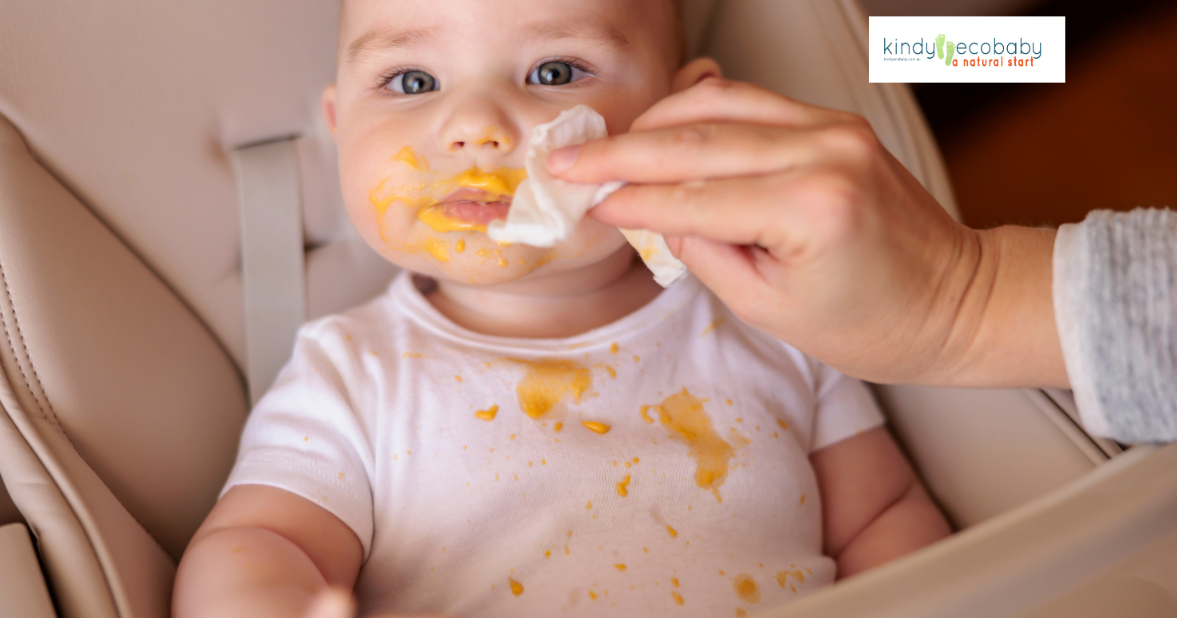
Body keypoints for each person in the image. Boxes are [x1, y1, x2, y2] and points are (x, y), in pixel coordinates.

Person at [172, 1, 951, 617]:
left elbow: (881, 515)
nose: (474, 128)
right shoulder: (349, 372)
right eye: (412, 82)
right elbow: (259, 543)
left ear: (683, 115)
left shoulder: (769, 309)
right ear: (341, 131)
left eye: (553, 71)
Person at [556, 76, 1176, 445]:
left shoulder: (778, 327)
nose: (470, 126)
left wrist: (966, 299)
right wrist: (968, 298)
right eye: (448, 82)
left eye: (555, 71)